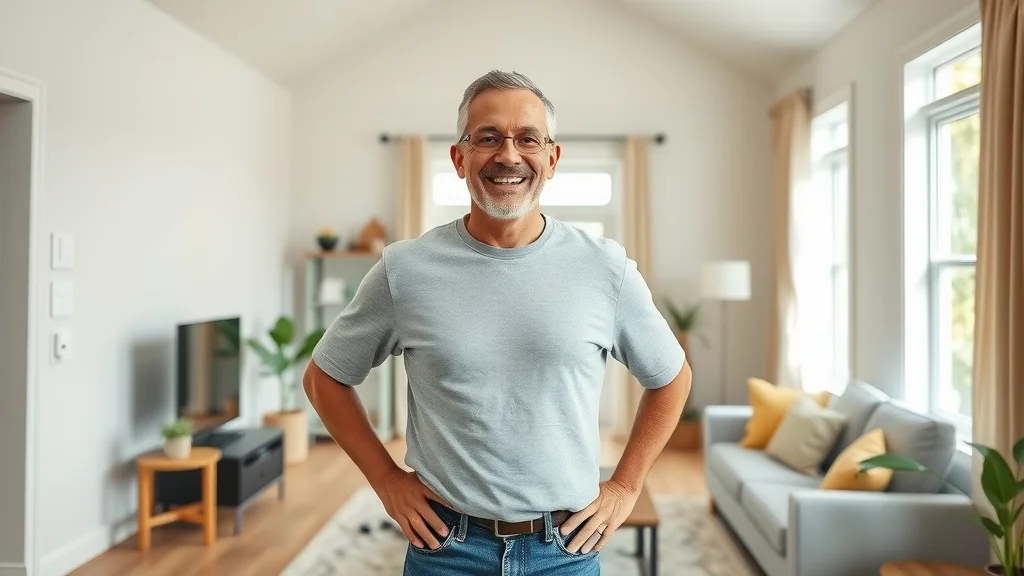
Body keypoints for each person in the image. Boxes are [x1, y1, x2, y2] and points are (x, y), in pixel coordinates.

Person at [303, 69, 692, 576]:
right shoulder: (405, 270)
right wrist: (385, 479)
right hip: (445, 548)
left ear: (551, 159)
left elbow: (672, 377)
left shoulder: (605, 268)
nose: (508, 155)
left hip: (565, 551)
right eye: (488, 138)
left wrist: (624, 486)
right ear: (459, 157)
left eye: (528, 139)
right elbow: (324, 377)